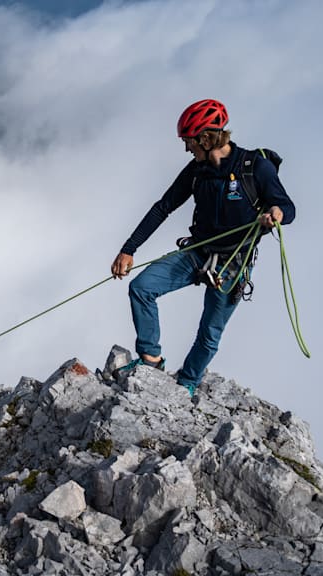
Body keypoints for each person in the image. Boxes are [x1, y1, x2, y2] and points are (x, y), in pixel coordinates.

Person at [110, 99, 295, 397]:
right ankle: (150, 361)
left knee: (209, 333)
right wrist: (129, 249)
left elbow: (287, 206)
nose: (187, 149)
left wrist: (276, 214)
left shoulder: (254, 168)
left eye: (189, 142)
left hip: (233, 263)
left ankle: (187, 383)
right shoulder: (196, 171)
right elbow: (163, 207)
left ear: (206, 139)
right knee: (142, 287)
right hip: (198, 253)